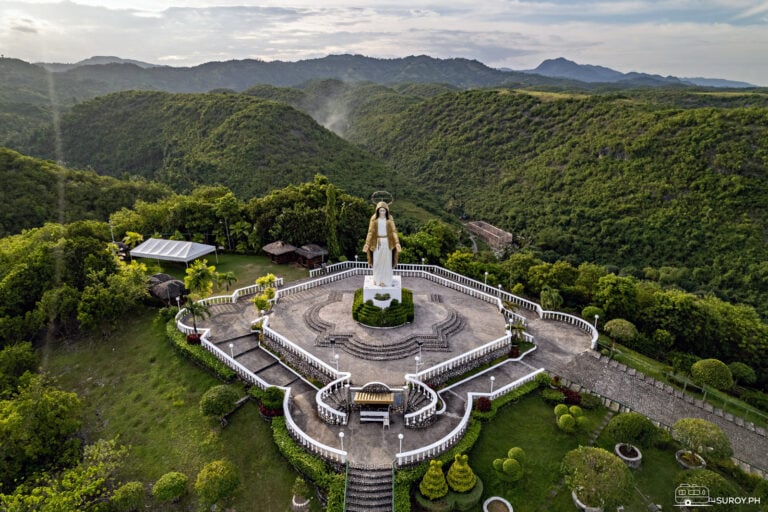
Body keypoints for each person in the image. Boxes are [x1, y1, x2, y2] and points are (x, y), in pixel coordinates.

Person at [363, 201, 401, 287]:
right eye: (381, 210)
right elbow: (370, 232)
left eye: (384, 210)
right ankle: (377, 280)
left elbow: (394, 231)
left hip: (387, 243)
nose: (382, 212)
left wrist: (397, 242)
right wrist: (367, 243)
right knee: (377, 262)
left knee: (387, 262)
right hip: (377, 243)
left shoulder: (389, 219)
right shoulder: (374, 219)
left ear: (387, 211)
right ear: (377, 211)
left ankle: (386, 281)